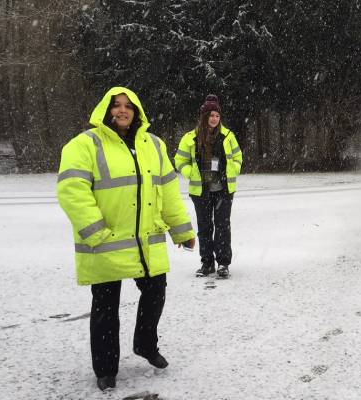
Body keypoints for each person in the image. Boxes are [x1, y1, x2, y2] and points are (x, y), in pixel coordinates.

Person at [57, 87, 196, 391]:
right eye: (116, 106)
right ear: (105, 111)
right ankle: (106, 369)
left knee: (156, 291)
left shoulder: (154, 145)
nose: (122, 111)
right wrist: (95, 231)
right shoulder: (84, 145)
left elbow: (169, 191)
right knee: (106, 306)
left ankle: (145, 344)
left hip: (147, 240)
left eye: (127, 106)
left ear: (137, 111)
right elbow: (71, 190)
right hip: (106, 242)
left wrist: (182, 230)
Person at [174, 95, 243, 278]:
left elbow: (238, 158)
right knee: (204, 228)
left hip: (223, 190)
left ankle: (223, 264)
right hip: (201, 191)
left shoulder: (228, 137)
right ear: (204, 117)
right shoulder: (190, 138)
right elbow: (180, 161)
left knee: (222, 227)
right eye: (211, 115)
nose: (214, 119)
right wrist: (191, 173)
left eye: (217, 116)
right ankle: (207, 264)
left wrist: (233, 170)